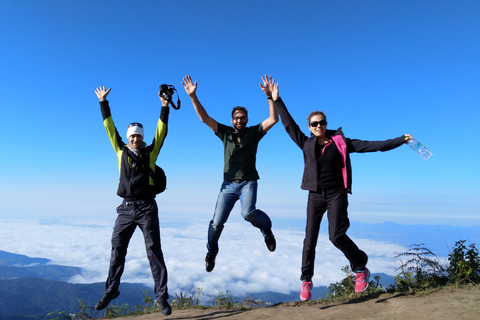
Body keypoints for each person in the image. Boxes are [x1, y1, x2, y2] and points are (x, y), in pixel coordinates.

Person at [271, 80, 412, 301]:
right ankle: (306, 280)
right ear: (309, 127)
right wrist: (276, 99)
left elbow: (373, 145)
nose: (319, 126)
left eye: (322, 122)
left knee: (336, 235)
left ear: (326, 124)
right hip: (315, 195)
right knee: (310, 239)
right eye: (314, 124)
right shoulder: (306, 144)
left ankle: (360, 267)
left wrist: (400, 140)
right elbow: (288, 124)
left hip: (337, 193)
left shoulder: (341, 143)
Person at [181, 74, 279, 272]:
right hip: (228, 185)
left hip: (248, 182)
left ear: (247, 119)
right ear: (232, 120)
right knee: (216, 223)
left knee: (248, 213)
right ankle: (211, 252)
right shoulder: (225, 132)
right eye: (236, 117)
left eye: (243, 117)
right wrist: (193, 96)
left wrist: (270, 97)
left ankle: (267, 231)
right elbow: (204, 118)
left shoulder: (254, 132)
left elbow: (273, 119)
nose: (239, 120)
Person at [93, 86, 172, 316]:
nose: (135, 138)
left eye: (138, 135)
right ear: (128, 138)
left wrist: (165, 107)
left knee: (153, 251)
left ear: (142, 137)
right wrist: (103, 103)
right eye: (132, 136)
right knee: (117, 249)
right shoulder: (120, 150)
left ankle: (161, 298)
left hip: (147, 206)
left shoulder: (151, 152)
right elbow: (109, 128)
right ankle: (111, 290)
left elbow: (161, 132)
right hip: (125, 208)